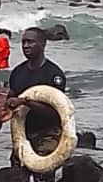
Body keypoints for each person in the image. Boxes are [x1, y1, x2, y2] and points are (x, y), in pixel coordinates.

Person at [6, 27, 67, 164]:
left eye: (30, 42)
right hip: (23, 133)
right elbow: (10, 99)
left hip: (48, 133)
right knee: (16, 171)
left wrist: (25, 102)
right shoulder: (17, 72)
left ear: (43, 44)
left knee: (44, 174)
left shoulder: (53, 74)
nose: (26, 46)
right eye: (23, 42)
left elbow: (56, 111)